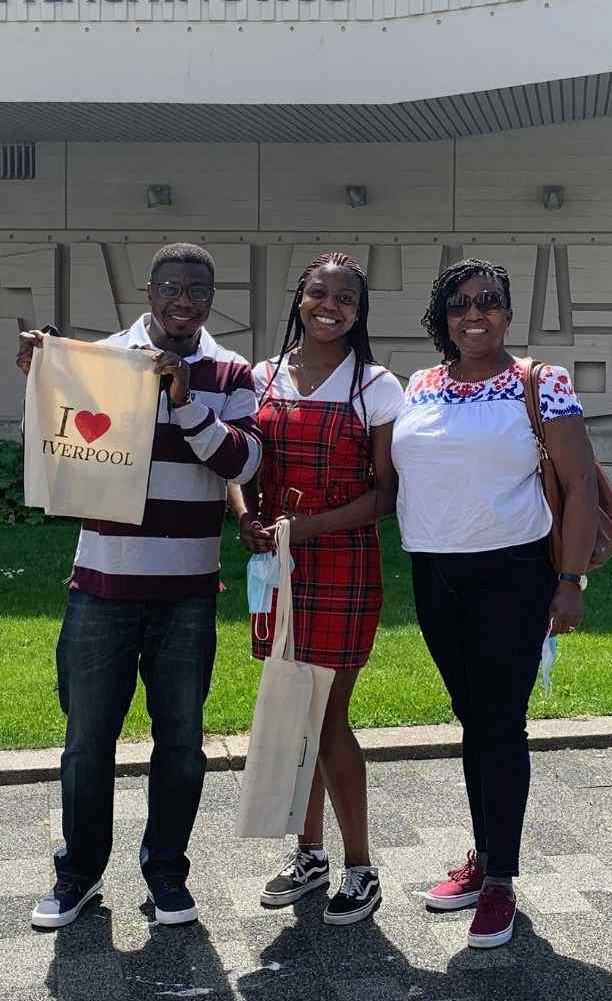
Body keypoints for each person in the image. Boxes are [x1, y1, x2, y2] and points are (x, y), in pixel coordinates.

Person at [14, 243, 262, 930]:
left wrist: (185, 404)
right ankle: (79, 875)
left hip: (187, 591)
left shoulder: (232, 371)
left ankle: (166, 876)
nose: (185, 300)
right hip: (101, 585)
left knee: (181, 744)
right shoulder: (100, 363)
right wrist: (41, 378)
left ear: (212, 300)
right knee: (87, 742)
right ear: (149, 292)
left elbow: (246, 463)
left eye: (199, 291)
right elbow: (57, 446)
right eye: (173, 287)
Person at [389, 258, 601, 949]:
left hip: (512, 576)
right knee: (470, 717)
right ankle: (482, 859)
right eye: (459, 304)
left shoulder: (542, 383)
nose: (474, 315)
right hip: (434, 574)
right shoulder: (419, 385)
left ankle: (502, 880)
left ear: (508, 314)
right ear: (441, 317)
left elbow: (579, 489)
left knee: (501, 723)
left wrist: (568, 581)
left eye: (489, 303)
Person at [229, 252, 403, 927]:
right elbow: (236, 460)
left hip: (342, 563)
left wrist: (307, 527)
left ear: (359, 313)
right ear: (298, 299)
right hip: (278, 563)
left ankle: (361, 868)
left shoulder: (376, 386)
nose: (330, 306)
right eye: (318, 293)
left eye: (346, 299)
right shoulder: (260, 376)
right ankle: (310, 857)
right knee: (290, 711)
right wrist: (243, 512)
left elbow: (385, 496)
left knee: (326, 719)